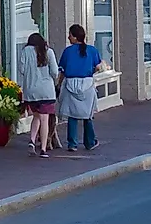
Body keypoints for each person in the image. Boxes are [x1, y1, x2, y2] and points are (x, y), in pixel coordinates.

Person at [57, 23, 103, 153]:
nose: (68, 37)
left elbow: (62, 71)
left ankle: (72, 143)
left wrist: (59, 85)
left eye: (70, 35)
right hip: (87, 83)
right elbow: (98, 67)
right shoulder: (92, 50)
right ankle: (90, 141)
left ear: (75, 37)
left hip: (71, 83)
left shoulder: (68, 51)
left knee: (72, 115)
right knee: (87, 115)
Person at [15, 29, 60, 158]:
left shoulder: (25, 52)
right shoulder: (49, 52)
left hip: (30, 91)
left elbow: (22, 70)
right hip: (46, 91)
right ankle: (44, 149)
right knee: (44, 119)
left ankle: (32, 140)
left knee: (36, 116)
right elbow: (55, 72)